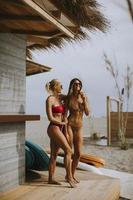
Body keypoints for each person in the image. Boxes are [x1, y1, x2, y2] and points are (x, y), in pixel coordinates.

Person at [45, 79, 76, 188]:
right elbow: (50, 117)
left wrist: (74, 86)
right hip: (53, 128)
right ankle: (69, 177)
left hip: (60, 128)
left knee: (54, 155)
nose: (62, 87)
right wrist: (62, 122)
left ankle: (50, 179)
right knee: (68, 150)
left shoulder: (60, 98)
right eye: (60, 85)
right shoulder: (50, 99)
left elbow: (69, 95)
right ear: (54, 87)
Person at [66, 78, 90, 183]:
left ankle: (72, 174)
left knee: (78, 153)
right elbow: (64, 113)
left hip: (79, 127)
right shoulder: (69, 98)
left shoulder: (83, 97)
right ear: (72, 86)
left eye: (79, 84)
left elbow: (87, 113)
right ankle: (69, 176)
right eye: (75, 84)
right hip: (70, 125)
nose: (77, 86)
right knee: (69, 151)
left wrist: (84, 101)